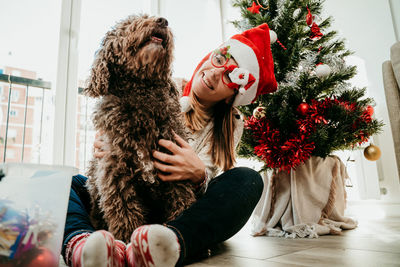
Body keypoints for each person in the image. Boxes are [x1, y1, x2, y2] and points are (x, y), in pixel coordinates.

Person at [62, 23, 277, 267]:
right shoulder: (162, 82)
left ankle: (171, 242)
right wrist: (107, 144)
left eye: (230, 76)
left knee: (248, 180)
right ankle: (83, 245)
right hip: (128, 195)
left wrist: (199, 176)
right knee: (67, 183)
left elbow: (209, 186)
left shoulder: (232, 125)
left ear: (233, 95)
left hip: (180, 208)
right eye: (219, 60)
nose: (215, 73)